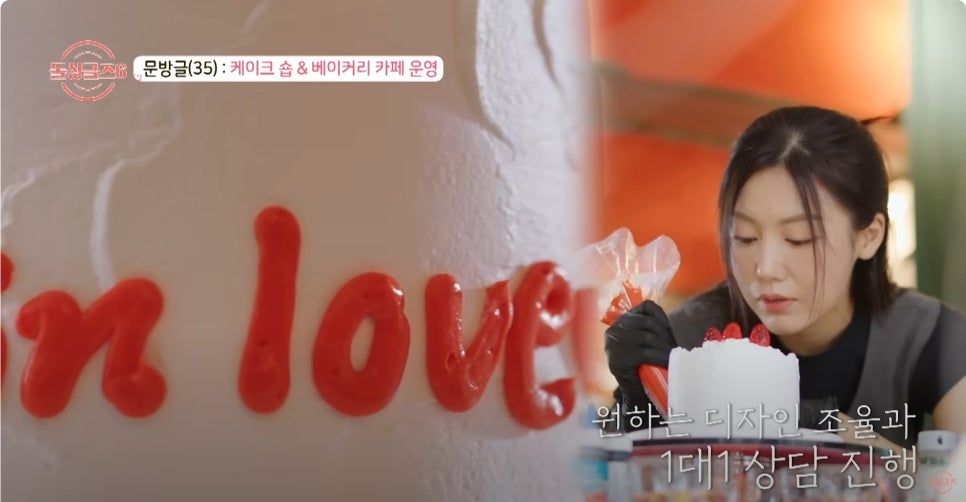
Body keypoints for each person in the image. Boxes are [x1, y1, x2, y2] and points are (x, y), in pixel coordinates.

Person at [605, 106, 966, 449]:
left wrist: (829, 428)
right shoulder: (687, 340)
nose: (766, 268)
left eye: (798, 239)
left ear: (868, 237)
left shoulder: (931, 335)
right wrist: (638, 406)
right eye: (745, 237)